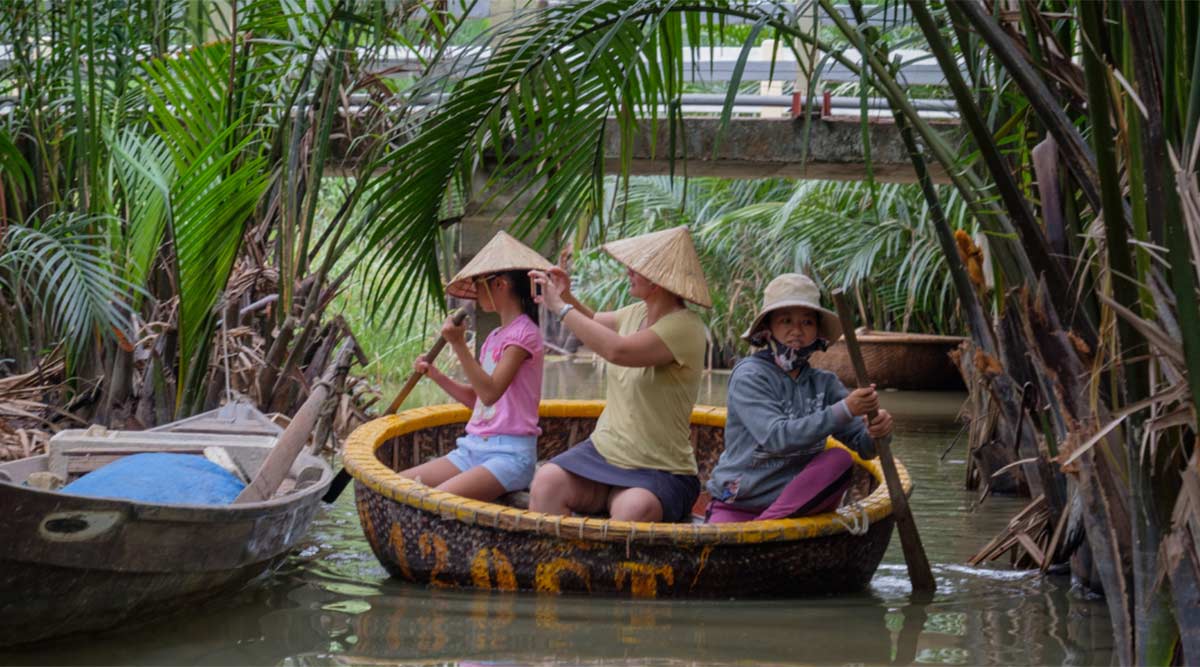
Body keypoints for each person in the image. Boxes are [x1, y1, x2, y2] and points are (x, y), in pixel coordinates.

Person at [527, 225, 710, 522]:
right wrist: (567, 297)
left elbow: (619, 352)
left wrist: (559, 307)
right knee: (546, 483)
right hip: (605, 452)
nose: (628, 271)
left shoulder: (685, 327)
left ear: (659, 279)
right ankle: (561, 565)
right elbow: (593, 322)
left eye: (636, 267)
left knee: (632, 509)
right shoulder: (635, 312)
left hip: (661, 467)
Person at [705, 273, 894, 523]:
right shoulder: (750, 375)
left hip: (795, 503)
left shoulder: (824, 383)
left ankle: (765, 527)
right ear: (768, 329)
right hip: (739, 500)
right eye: (786, 321)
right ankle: (765, 528)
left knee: (839, 460)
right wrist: (846, 409)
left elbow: (864, 447)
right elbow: (776, 438)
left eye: (807, 323)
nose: (797, 331)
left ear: (817, 332)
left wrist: (877, 431)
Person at [400, 231, 553, 501]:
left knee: (437, 501)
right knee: (399, 485)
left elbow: (491, 392)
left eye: (480, 283)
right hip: (471, 450)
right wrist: (435, 374)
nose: (475, 292)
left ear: (501, 285)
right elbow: (478, 400)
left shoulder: (525, 335)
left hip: (509, 456)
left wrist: (458, 345)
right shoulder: (494, 337)